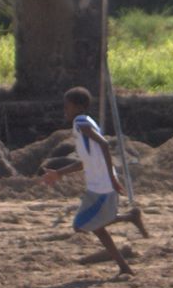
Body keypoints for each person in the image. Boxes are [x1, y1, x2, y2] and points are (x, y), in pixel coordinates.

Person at [42, 86, 147, 276]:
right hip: (95, 186)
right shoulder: (83, 124)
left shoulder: (81, 122)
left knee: (82, 225)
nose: (65, 110)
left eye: (67, 106)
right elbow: (85, 163)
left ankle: (130, 219)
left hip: (103, 186)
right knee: (94, 226)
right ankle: (124, 265)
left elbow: (104, 144)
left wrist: (111, 179)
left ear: (77, 106)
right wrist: (59, 173)